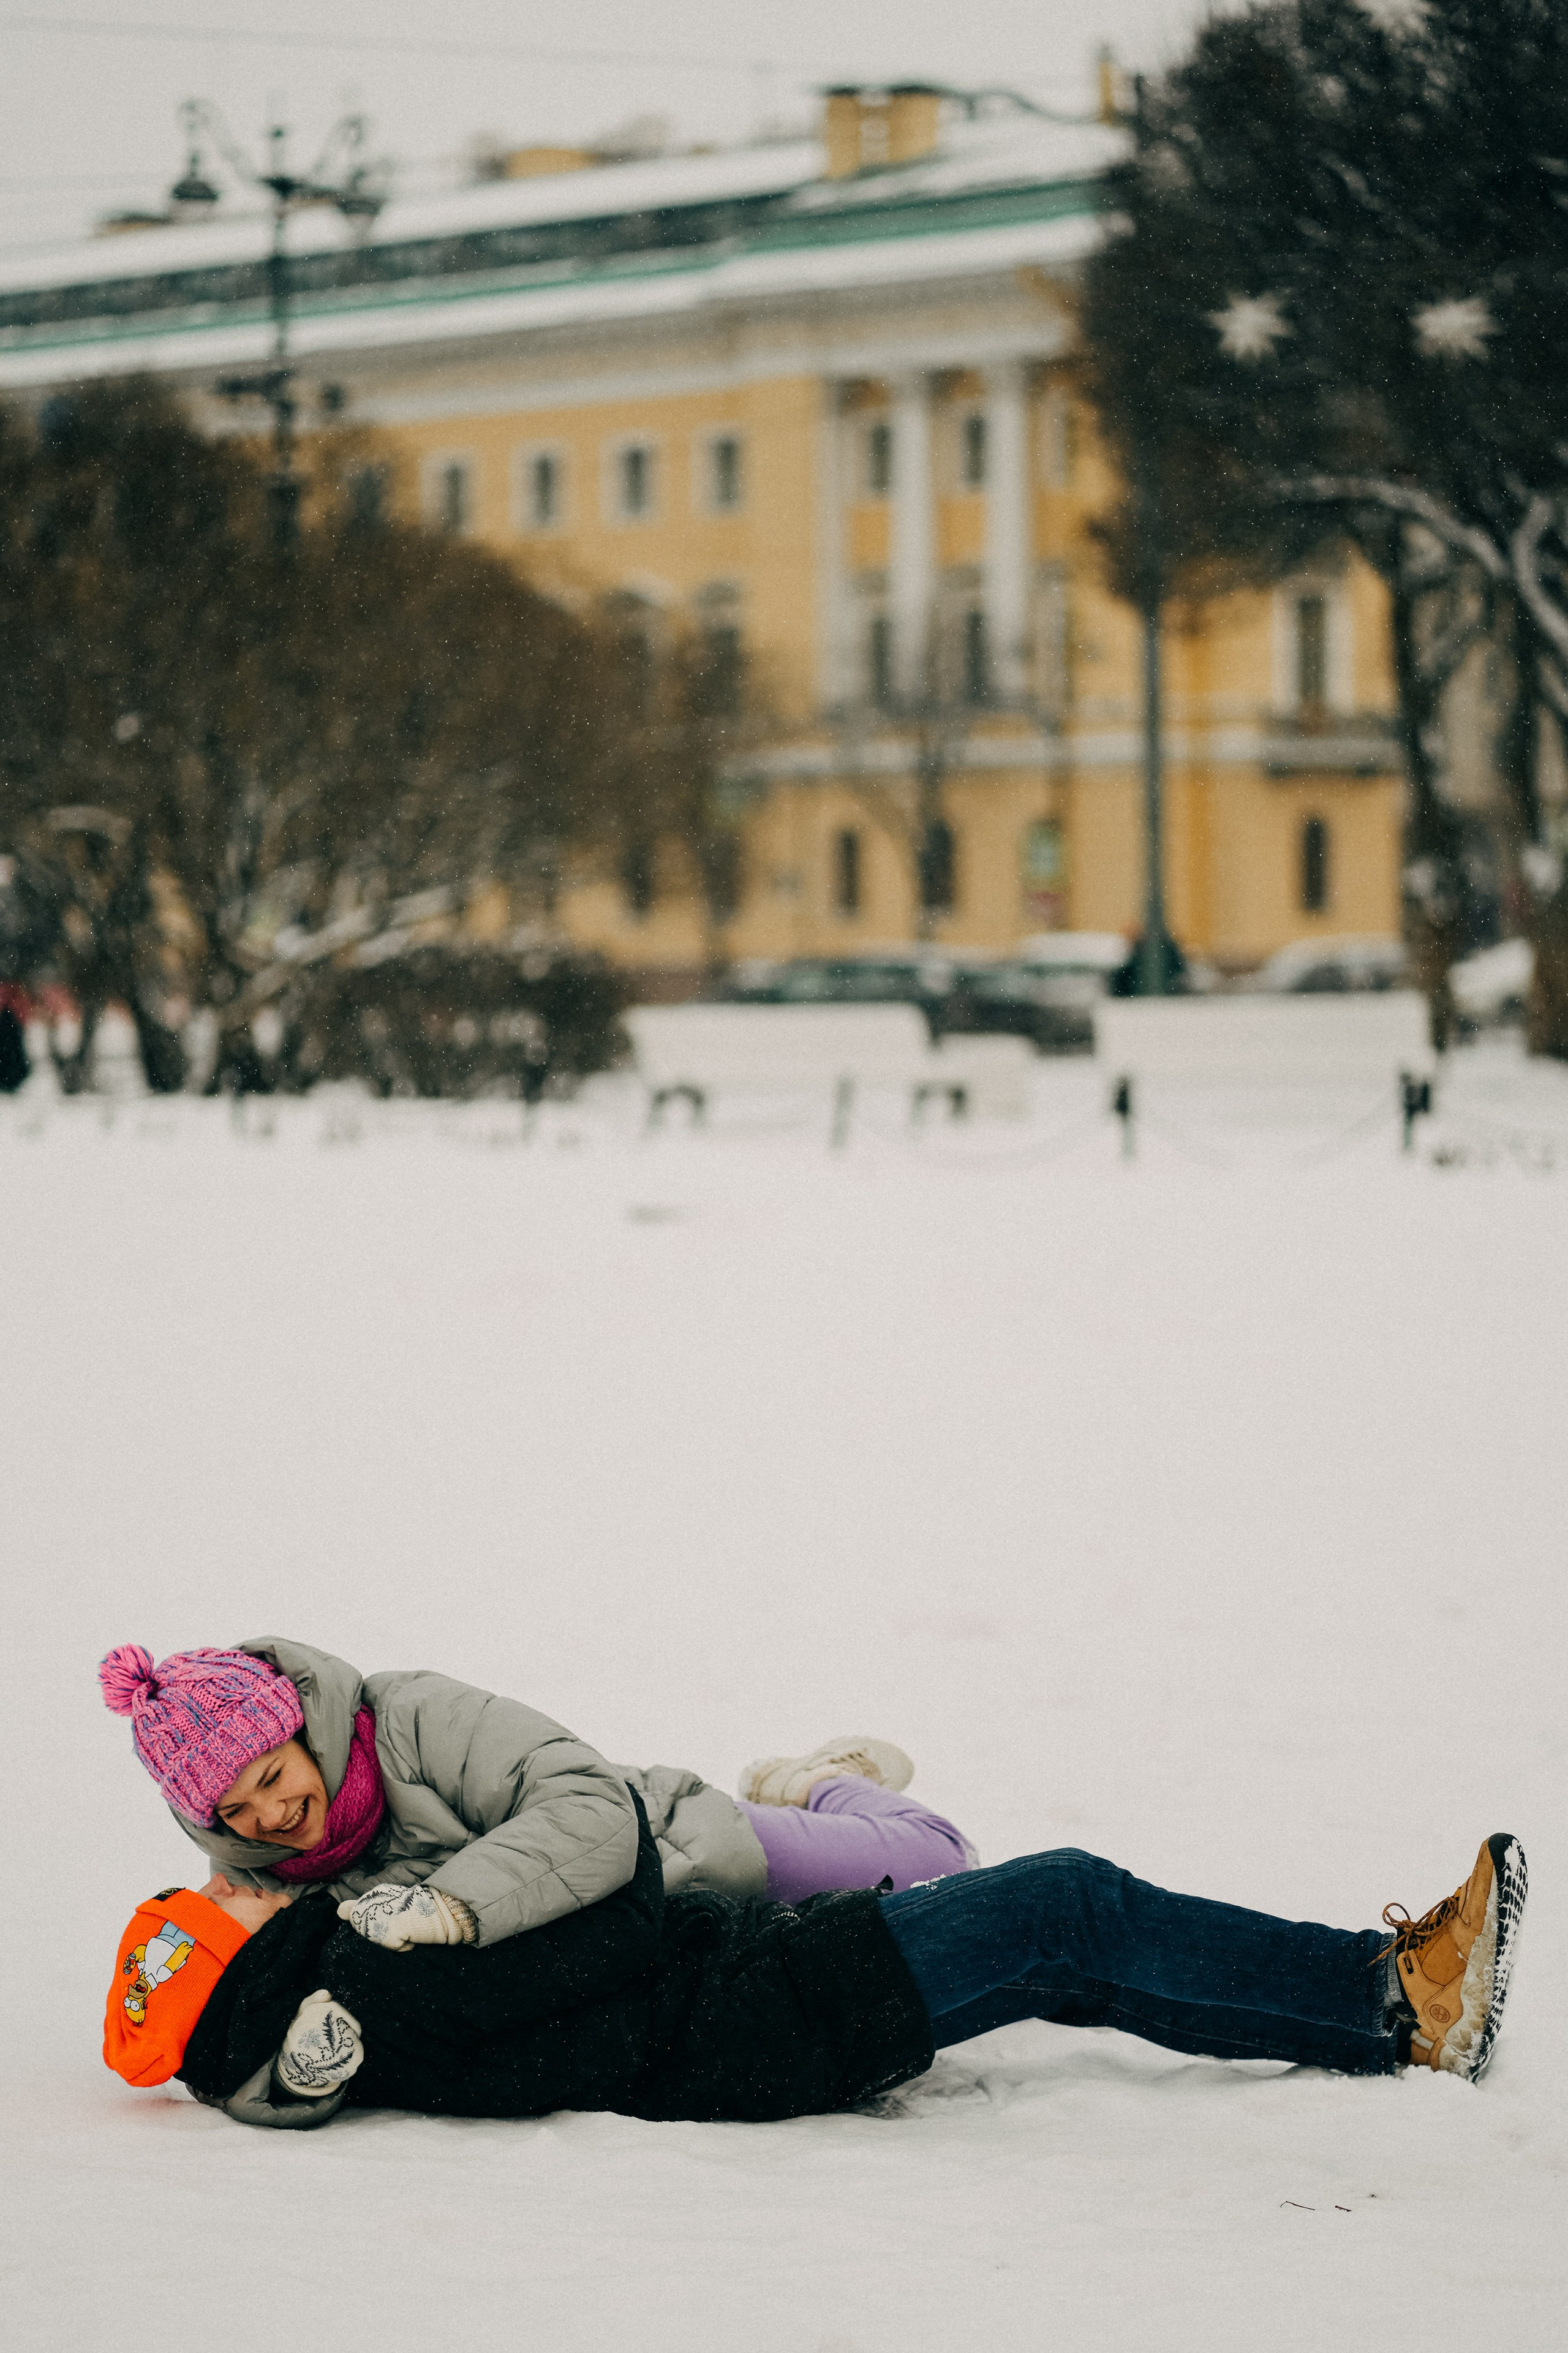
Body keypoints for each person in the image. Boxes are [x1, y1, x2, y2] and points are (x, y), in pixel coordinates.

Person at [103, 1815, 1526, 2131]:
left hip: (753, 2010)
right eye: (224, 1897)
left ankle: (1381, 2015)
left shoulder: (352, 2011)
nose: (245, 1873)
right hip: (765, 2011)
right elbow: (596, 1946)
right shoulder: (377, 1975)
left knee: (1062, 1946)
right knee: (1068, 1908)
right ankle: (1387, 1996)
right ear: (234, 1949)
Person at [98, 1642, 976, 1947]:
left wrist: (448, 1905)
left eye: (271, 1778)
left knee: (944, 1868)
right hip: (652, 1951)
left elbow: (579, 1795)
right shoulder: (260, 1883)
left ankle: (824, 1784)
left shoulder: (410, 1716)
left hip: (685, 1846)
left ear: (303, 1730)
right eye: (233, 1813)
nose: (269, 1818)